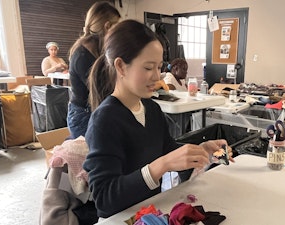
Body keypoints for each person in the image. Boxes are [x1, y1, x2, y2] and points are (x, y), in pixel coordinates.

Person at [83, 19, 234, 219]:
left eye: (159, 67)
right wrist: (161, 166)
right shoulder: (105, 120)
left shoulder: (152, 109)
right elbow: (104, 199)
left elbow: (168, 150)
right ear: (120, 67)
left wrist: (200, 151)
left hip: (151, 213)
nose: (157, 76)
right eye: (148, 68)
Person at [67, 1, 120, 139]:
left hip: (94, 110)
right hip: (83, 116)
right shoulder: (82, 56)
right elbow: (103, 90)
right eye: (117, 27)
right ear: (107, 26)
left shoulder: (99, 49)